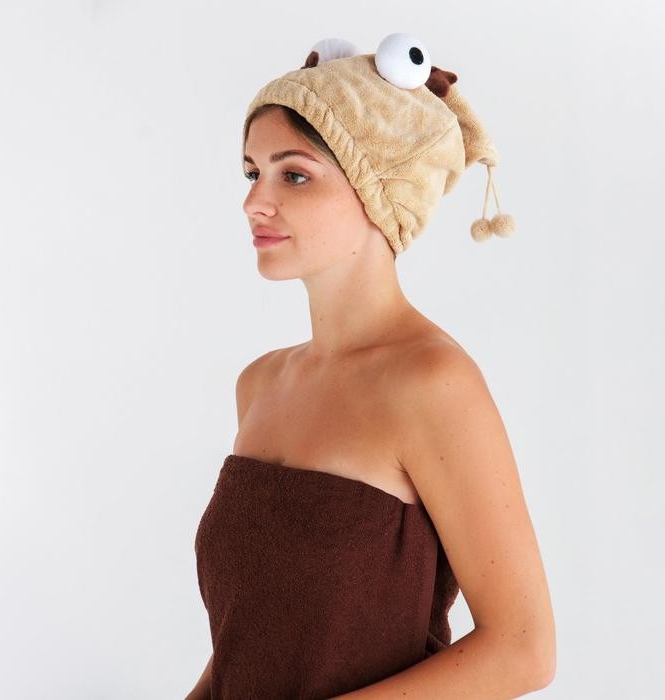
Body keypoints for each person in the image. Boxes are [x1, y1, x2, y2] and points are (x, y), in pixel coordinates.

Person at [186, 34, 556, 699]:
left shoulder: (433, 383)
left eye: (293, 174)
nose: (254, 202)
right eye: (251, 172)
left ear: (379, 186)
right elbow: (253, 639)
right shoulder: (261, 384)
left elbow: (524, 649)